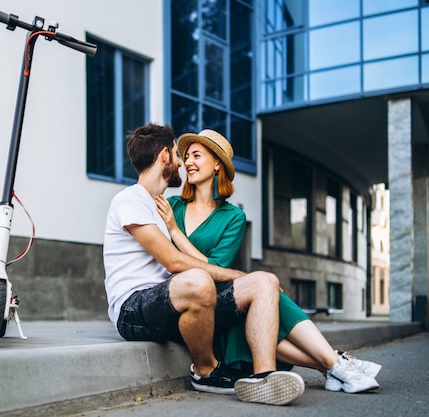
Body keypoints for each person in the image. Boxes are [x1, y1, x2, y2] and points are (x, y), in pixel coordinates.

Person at [155, 128, 381, 394]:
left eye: (196, 155)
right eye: (186, 156)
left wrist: (175, 232)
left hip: (224, 297)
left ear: (217, 164)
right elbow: (174, 261)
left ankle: (335, 367)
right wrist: (172, 227)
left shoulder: (233, 217)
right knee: (268, 291)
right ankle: (335, 363)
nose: (188, 163)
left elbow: (216, 267)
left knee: (268, 294)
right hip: (197, 305)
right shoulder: (173, 206)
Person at [103, 123, 305, 406]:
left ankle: (264, 377)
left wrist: (245, 278)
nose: (182, 162)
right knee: (197, 281)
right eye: (177, 154)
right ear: (164, 156)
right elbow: (174, 262)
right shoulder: (130, 199)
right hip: (134, 310)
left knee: (263, 281)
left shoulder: (164, 206)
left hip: (175, 300)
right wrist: (234, 274)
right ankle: (205, 370)